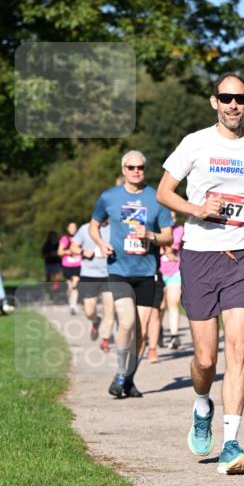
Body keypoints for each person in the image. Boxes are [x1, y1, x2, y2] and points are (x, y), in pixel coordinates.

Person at [157, 72, 244, 475]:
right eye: (226, 98)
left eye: (239, 98)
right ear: (214, 102)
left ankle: (231, 443)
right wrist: (196, 209)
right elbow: (164, 192)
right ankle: (201, 404)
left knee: (238, 349)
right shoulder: (195, 142)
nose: (233, 105)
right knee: (206, 360)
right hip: (200, 257)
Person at [89, 151, 172, 398]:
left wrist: (151, 236)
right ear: (123, 169)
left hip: (146, 272)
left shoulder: (157, 197)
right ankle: (121, 373)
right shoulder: (109, 197)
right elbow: (94, 225)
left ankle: (127, 379)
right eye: (131, 167)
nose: (136, 171)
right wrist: (101, 243)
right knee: (126, 322)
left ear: (145, 169)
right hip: (119, 270)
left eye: (140, 167)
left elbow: (168, 236)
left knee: (142, 332)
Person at [71, 221, 115, 351]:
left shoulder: (115, 228)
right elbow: (73, 247)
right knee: (89, 311)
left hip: (110, 274)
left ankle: (105, 340)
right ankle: (95, 321)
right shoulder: (85, 228)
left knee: (109, 309)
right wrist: (83, 251)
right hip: (89, 274)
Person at [159, 213, 184, 351]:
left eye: (173, 217)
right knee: (160, 306)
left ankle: (175, 336)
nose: (171, 220)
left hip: (175, 271)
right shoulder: (155, 230)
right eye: (168, 217)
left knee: (173, 304)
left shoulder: (179, 230)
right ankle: (158, 331)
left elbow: (173, 246)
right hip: (158, 271)